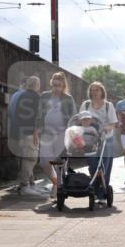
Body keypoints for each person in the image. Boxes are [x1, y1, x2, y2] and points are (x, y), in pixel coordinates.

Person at [39, 72, 78, 200]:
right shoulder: (44, 96)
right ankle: (56, 183)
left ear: (63, 86)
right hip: (46, 133)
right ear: (51, 83)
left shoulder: (68, 98)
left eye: (59, 85)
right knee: (44, 162)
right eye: (54, 84)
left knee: (58, 163)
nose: (56, 87)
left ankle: (58, 188)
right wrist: (35, 130)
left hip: (62, 133)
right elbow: (39, 115)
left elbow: (73, 116)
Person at [81, 81, 118, 200]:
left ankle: (102, 194)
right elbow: (79, 120)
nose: (94, 92)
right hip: (90, 140)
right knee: (93, 166)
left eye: (97, 90)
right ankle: (95, 190)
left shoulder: (108, 105)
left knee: (104, 167)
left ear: (102, 91)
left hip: (106, 139)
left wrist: (105, 128)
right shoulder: (86, 105)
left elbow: (114, 124)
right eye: (92, 90)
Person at [8, 75, 43, 197]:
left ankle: (30, 183)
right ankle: (25, 185)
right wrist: (35, 133)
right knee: (30, 158)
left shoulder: (19, 95)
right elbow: (37, 117)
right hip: (29, 133)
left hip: (17, 132)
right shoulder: (36, 98)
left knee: (26, 158)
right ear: (37, 86)